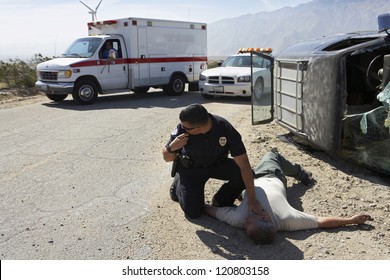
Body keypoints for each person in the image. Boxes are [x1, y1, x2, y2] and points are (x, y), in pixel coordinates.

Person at [204, 149, 373, 244]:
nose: (246, 217)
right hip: (271, 175)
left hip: (248, 182)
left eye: (246, 222)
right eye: (251, 218)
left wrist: (189, 201)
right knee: (272, 155)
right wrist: (350, 220)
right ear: (264, 217)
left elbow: (208, 209)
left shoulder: (240, 219)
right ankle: (301, 174)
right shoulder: (288, 219)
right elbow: (322, 222)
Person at [162, 104, 267, 219]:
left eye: (186, 127)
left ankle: (220, 200)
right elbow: (167, 158)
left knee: (247, 175)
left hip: (217, 164)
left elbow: (244, 166)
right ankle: (178, 183)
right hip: (191, 169)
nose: (182, 127)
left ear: (199, 129)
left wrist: (252, 199)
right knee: (194, 212)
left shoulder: (224, 127)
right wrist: (171, 148)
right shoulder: (182, 130)